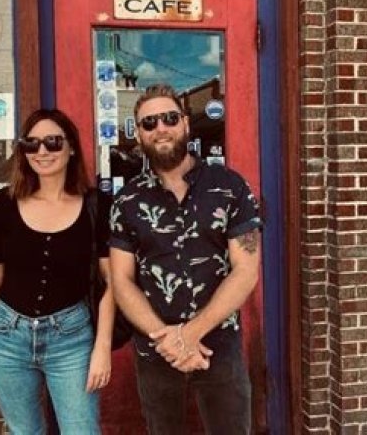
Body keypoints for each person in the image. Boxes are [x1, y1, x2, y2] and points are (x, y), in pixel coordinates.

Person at [109, 84, 262, 435]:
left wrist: (190, 334)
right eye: (149, 123)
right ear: (139, 134)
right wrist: (168, 341)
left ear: (186, 124)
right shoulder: (127, 201)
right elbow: (121, 280)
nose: (160, 128)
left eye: (169, 118)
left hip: (219, 345)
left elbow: (246, 270)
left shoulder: (231, 187)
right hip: (156, 348)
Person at [0, 109, 114, 435]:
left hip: (71, 339)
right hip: (8, 337)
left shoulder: (97, 205)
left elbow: (110, 282)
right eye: (31, 144)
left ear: (71, 147)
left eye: (52, 142)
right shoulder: (5, 203)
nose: (42, 151)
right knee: (25, 431)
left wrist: (102, 347)